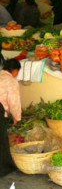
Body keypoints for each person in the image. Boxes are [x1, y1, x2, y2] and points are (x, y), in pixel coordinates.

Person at [0, 48, 22, 177]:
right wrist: (16, 117)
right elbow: (14, 101)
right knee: (2, 140)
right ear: (14, 71)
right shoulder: (11, 81)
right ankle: (4, 169)